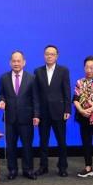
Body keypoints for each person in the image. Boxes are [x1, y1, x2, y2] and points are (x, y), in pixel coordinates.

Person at [0, 51, 36, 180]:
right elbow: (1, 94)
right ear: (10, 63)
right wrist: (1, 101)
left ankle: (28, 169)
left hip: (26, 118)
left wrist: (36, 115)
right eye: (14, 61)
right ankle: (12, 170)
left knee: (27, 145)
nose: (16, 63)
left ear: (24, 62)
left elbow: (36, 99)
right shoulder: (4, 78)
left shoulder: (31, 78)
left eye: (19, 61)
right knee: (11, 146)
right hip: (10, 118)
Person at [33, 45, 71, 177]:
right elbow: (36, 95)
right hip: (43, 113)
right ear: (44, 56)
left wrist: (67, 109)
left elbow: (67, 91)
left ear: (57, 56)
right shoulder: (37, 71)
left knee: (61, 141)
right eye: (47, 54)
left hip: (59, 112)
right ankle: (43, 167)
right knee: (43, 141)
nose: (49, 56)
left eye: (52, 54)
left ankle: (62, 167)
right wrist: (36, 113)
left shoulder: (63, 71)